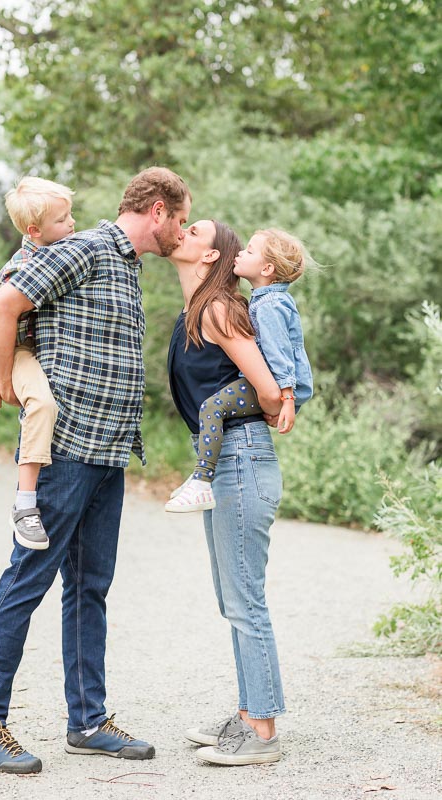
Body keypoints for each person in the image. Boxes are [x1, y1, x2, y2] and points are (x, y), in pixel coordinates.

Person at [0, 167, 191, 774]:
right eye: (182, 220)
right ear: (159, 211)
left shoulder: (128, 267)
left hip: (109, 453)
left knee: (90, 588)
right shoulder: (83, 248)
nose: (182, 233)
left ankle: (87, 720)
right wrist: (6, 383)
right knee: (26, 582)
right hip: (63, 450)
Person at [166, 219, 285, 766]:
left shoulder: (217, 309)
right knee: (231, 597)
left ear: (210, 254)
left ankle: (260, 732)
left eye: (193, 229)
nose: (181, 231)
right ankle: (247, 713)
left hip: (241, 458)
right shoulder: (194, 313)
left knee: (244, 600)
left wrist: (283, 402)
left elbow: (265, 388)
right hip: (228, 461)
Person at [166, 226, 313, 512]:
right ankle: (201, 477)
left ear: (268, 267)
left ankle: (201, 478)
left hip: (241, 454)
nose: (241, 254)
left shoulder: (268, 305)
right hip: (233, 452)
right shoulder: (256, 300)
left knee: (212, 407)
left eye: (249, 251)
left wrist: (286, 398)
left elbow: (281, 355)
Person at [0, 176, 76, 549]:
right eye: (61, 220)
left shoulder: (63, 252)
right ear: (35, 231)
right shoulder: (21, 267)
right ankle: (24, 503)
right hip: (21, 351)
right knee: (42, 404)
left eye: (71, 215)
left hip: (47, 352)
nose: (71, 223)